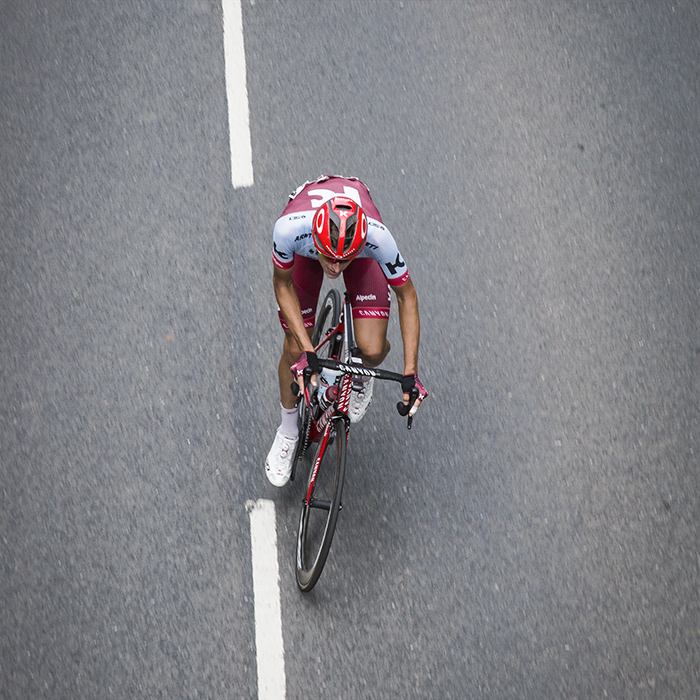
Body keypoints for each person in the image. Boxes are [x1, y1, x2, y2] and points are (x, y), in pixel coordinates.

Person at [265, 175, 427, 486]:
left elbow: (407, 295)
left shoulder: (378, 239)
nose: (335, 269)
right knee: (295, 349)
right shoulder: (289, 230)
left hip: (360, 254)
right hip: (306, 253)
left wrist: (411, 372)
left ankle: (360, 373)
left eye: (344, 261)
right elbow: (282, 284)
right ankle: (287, 430)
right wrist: (307, 348)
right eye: (330, 258)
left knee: (373, 349)